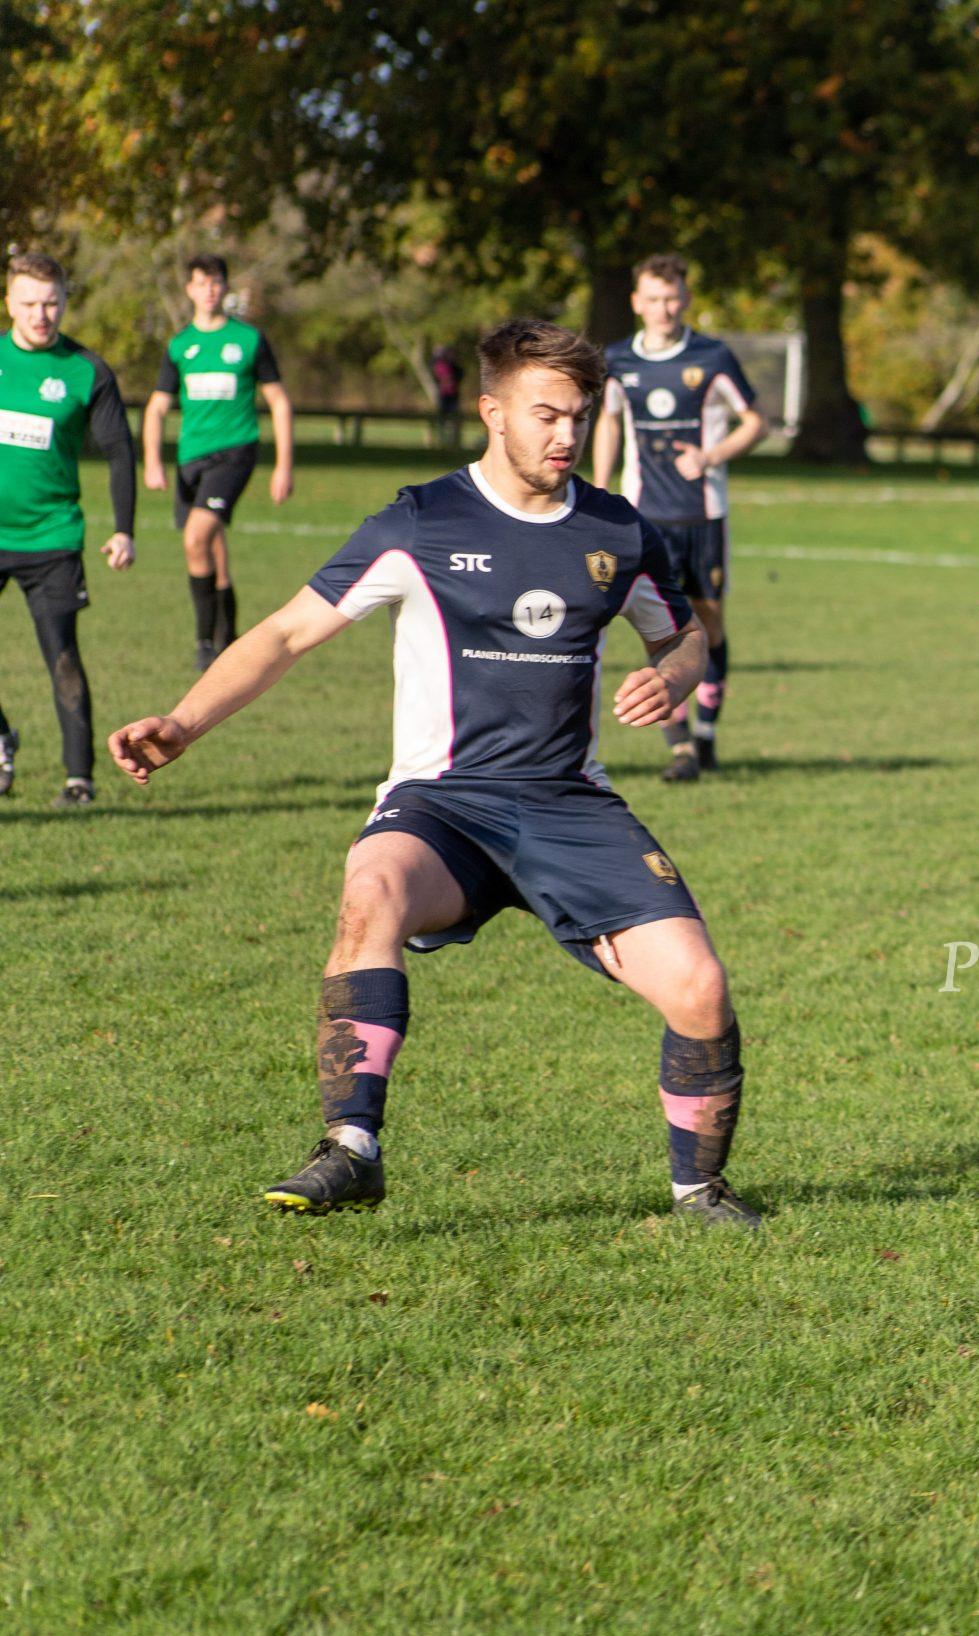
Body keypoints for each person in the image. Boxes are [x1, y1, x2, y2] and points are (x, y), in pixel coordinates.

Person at [107, 319, 760, 1228]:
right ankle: (351, 1148)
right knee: (370, 889)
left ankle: (699, 1190)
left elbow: (683, 635)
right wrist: (184, 722)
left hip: (569, 805)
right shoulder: (421, 521)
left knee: (699, 984)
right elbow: (288, 632)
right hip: (444, 806)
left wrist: (674, 677)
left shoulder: (616, 527)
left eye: (580, 416)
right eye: (546, 415)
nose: (567, 435)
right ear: (492, 412)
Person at [595, 255, 765, 782]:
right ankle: (681, 748)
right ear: (636, 302)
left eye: (671, 298)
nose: (663, 309)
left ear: (685, 299)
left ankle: (707, 733)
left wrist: (711, 456)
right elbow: (609, 420)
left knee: (708, 624)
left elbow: (755, 422)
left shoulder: (712, 356)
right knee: (661, 630)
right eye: (653, 299)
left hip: (703, 515)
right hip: (645, 519)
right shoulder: (618, 359)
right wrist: (599, 488)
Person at [0, 251, 135, 808]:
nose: (41, 314)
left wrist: (124, 529)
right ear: (9, 302)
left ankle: (79, 780)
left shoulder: (86, 371)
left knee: (62, 655)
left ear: (64, 302)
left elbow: (119, 452)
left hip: (52, 538)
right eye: (30, 302)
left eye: (51, 303)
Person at [142, 253, 294, 670]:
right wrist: (152, 460)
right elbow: (157, 408)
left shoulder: (248, 340)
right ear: (189, 289)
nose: (208, 290)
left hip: (235, 453)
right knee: (212, 546)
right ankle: (229, 634)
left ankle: (204, 643)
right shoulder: (180, 345)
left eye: (215, 282)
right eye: (201, 283)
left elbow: (279, 402)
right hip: (191, 459)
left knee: (196, 537)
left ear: (225, 288)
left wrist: (283, 466)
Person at [430, 344, 464, 448]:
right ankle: (441, 441)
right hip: (444, 395)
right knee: (443, 419)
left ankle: (453, 441)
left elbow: (459, 375)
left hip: (452, 395)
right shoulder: (440, 365)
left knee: (454, 419)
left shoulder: (453, 367)